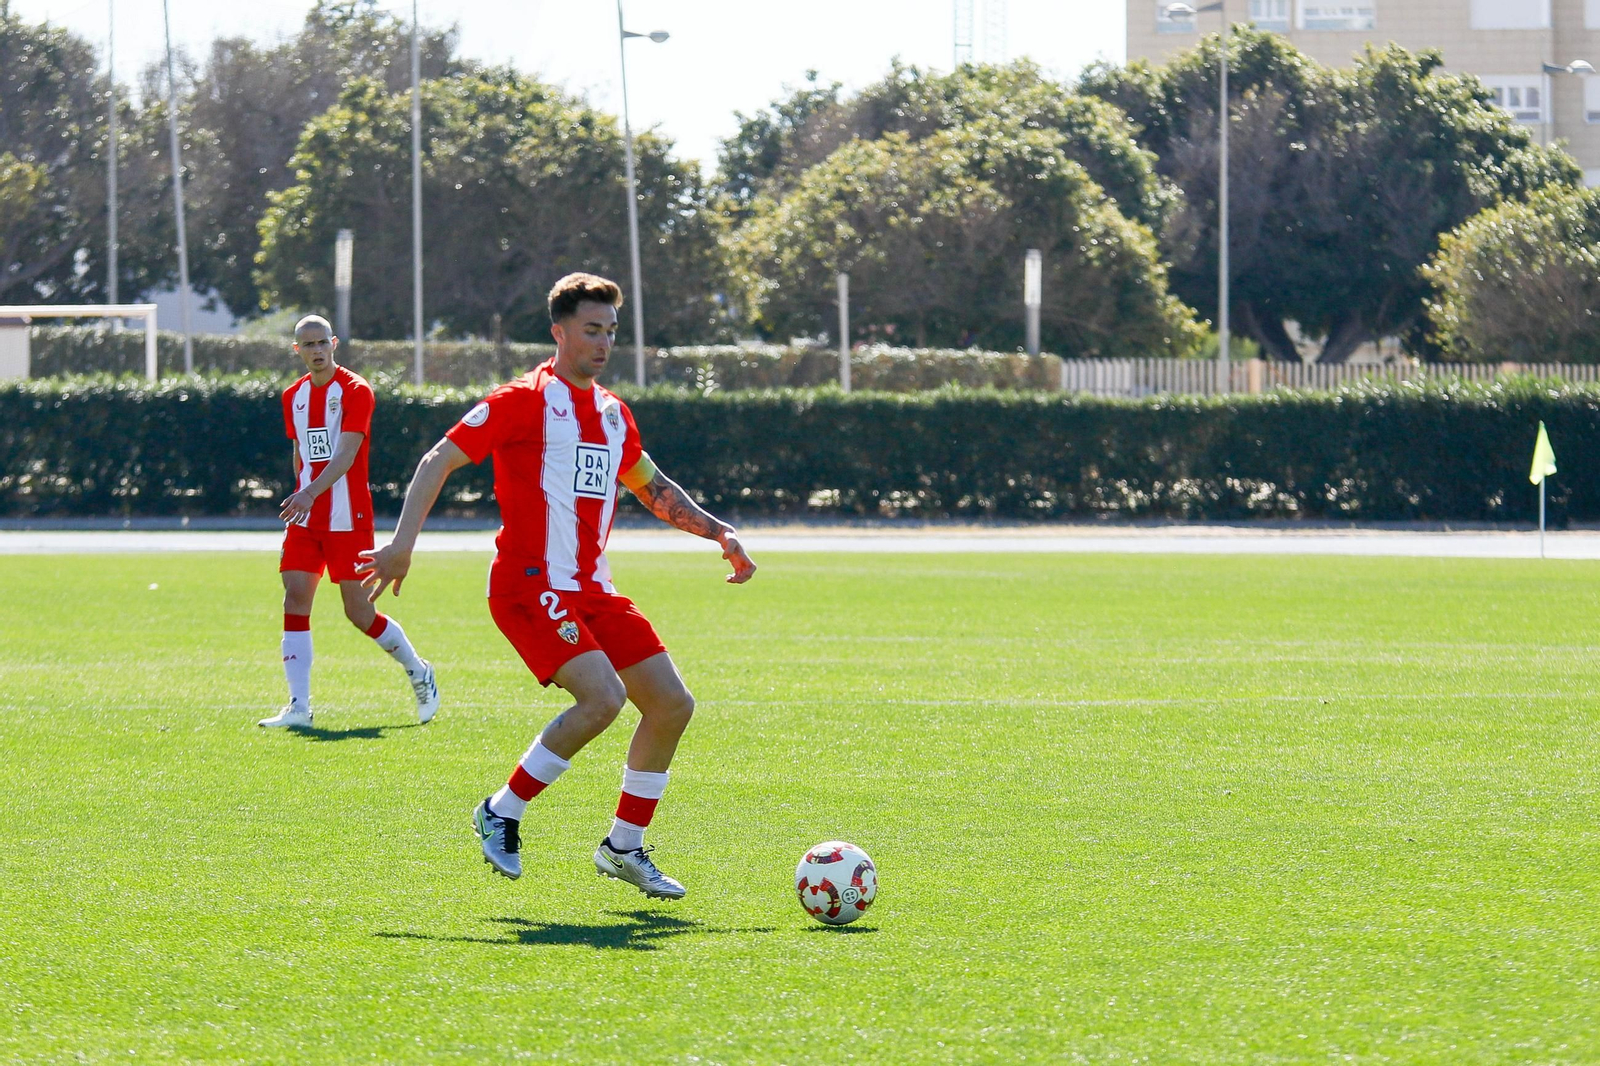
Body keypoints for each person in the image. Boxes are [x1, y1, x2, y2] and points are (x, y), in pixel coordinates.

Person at [357, 273, 756, 900]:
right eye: (592, 330)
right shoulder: (522, 400)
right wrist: (402, 546)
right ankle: (501, 810)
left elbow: (654, 489)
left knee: (673, 705)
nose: (603, 342)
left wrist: (718, 532)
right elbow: (438, 459)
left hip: (593, 589)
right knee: (602, 699)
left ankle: (624, 847)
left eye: (611, 332)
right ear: (560, 332)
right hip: (528, 582)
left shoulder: (613, 415)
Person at [259, 315, 440, 729]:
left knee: (358, 612)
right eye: (309, 345)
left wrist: (309, 492)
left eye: (323, 342)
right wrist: (301, 493)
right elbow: (300, 452)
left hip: (348, 517)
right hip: (307, 518)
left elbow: (346, 454)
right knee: (295, 597)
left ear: (334, 343)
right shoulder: (294, 396)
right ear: (297, 350)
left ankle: (418, 670)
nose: (317, 350)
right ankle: (298, 707)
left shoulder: (355, 390)